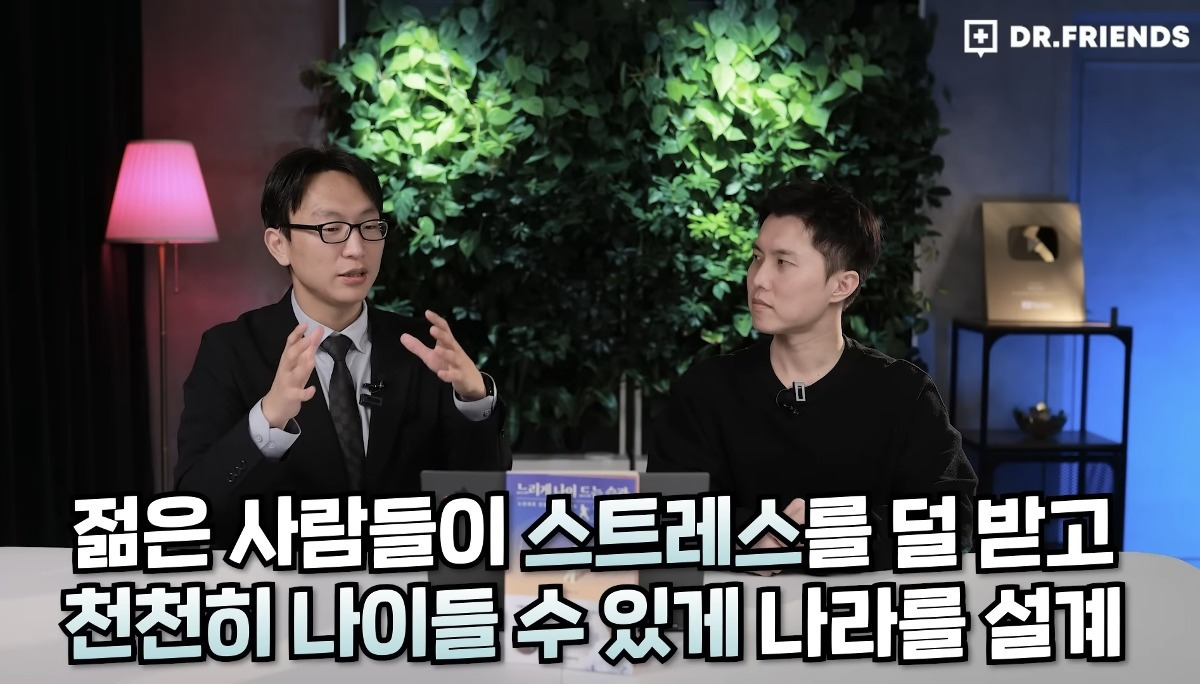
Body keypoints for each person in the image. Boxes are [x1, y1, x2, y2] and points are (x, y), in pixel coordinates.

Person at [176, 147, 510, 549]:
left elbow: (478, 502)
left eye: (369, 226)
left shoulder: (424, 349)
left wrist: (474, 401)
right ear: (279, 244)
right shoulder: (230, 350)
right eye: (331, 229)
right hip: (285, 582)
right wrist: (268, 419)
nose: (356, 248)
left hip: (403, 578)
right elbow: (194, 508)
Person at [646, 180, 977, 572]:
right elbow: (668, 513)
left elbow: (952, 520)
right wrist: (754, 536)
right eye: (757, 257)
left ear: (842, 285)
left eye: (783, 263)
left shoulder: (904, 393)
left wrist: (829, 533)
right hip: (738, 604)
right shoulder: (707, 389)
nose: (758, 278)